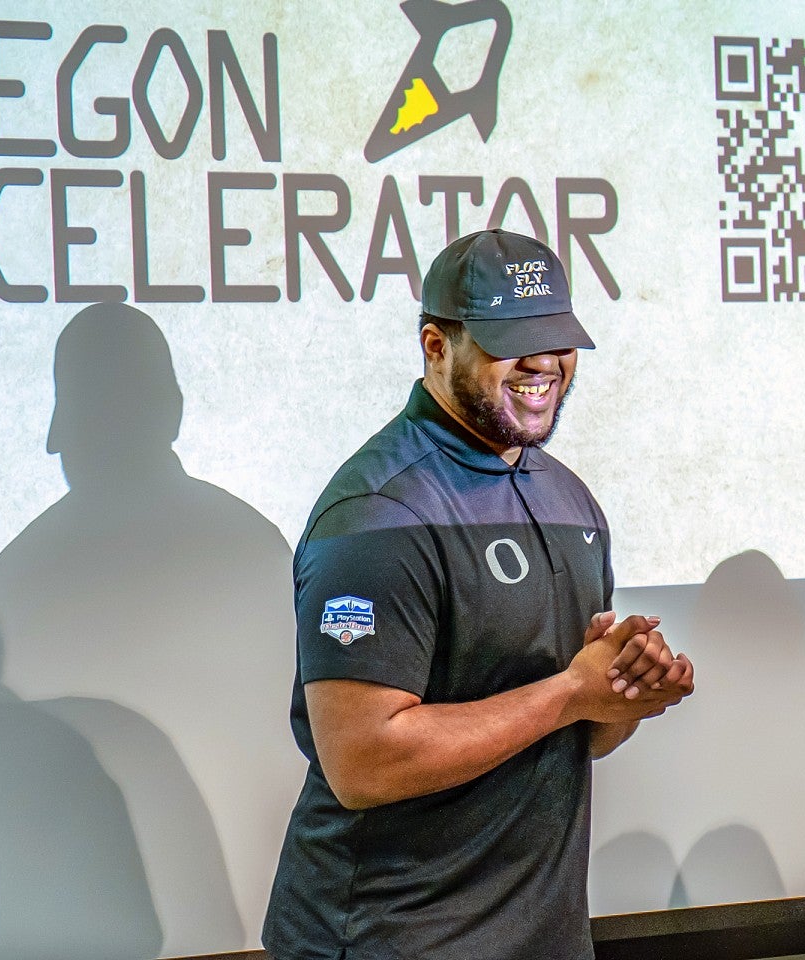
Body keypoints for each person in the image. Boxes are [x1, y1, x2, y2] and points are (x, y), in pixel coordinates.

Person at [262, 229, 695, 960]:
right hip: (393, 941)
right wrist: (568, 692)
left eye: (557, 338)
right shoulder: (377, 512)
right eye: (512, 340)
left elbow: (574, 735)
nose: (544, 363)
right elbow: (364, 761)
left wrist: (619, 695)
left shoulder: (571, 503)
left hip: (544, 939)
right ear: (435, 347)